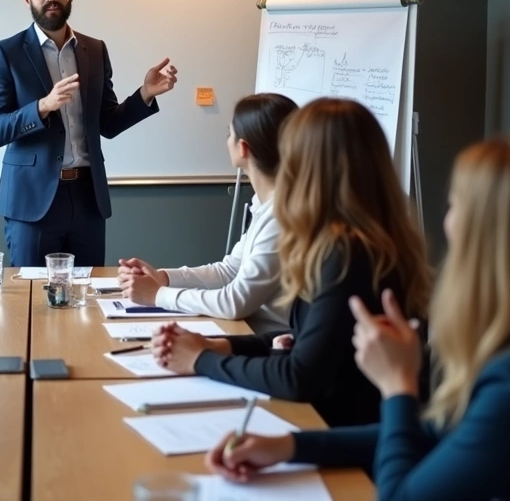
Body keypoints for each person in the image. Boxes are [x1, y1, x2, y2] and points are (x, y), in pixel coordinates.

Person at [209, 135, 510, 500]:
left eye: (454, 205)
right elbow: (442, 433)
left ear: (486, 237)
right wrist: (289, 447)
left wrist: (398, 386)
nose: (447, 221)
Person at [151, 98, 431, 427]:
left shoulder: (348, 255)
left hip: (338, 432)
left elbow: (299, 377)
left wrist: (201, 360)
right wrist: (220, 346)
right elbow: (307, 335)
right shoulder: (358, 240)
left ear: (310, 169)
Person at [0, 0, 178, 267]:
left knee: (87, 291)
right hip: (32, 200)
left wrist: (144, 94)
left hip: (88, 197)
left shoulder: (94, 49)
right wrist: (43, 107)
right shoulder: (6, 52)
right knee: (33, 291)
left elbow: (107, 123)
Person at [117, 93, 298, 334]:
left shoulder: (281, 216)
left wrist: (158, 295)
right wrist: (163, 278)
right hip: (248, 333)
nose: (227, 141)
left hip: (266, 341)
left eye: (229, 134)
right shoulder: (264, 203)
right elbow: (229, 271)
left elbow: (235, 302)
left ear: (243, 148)